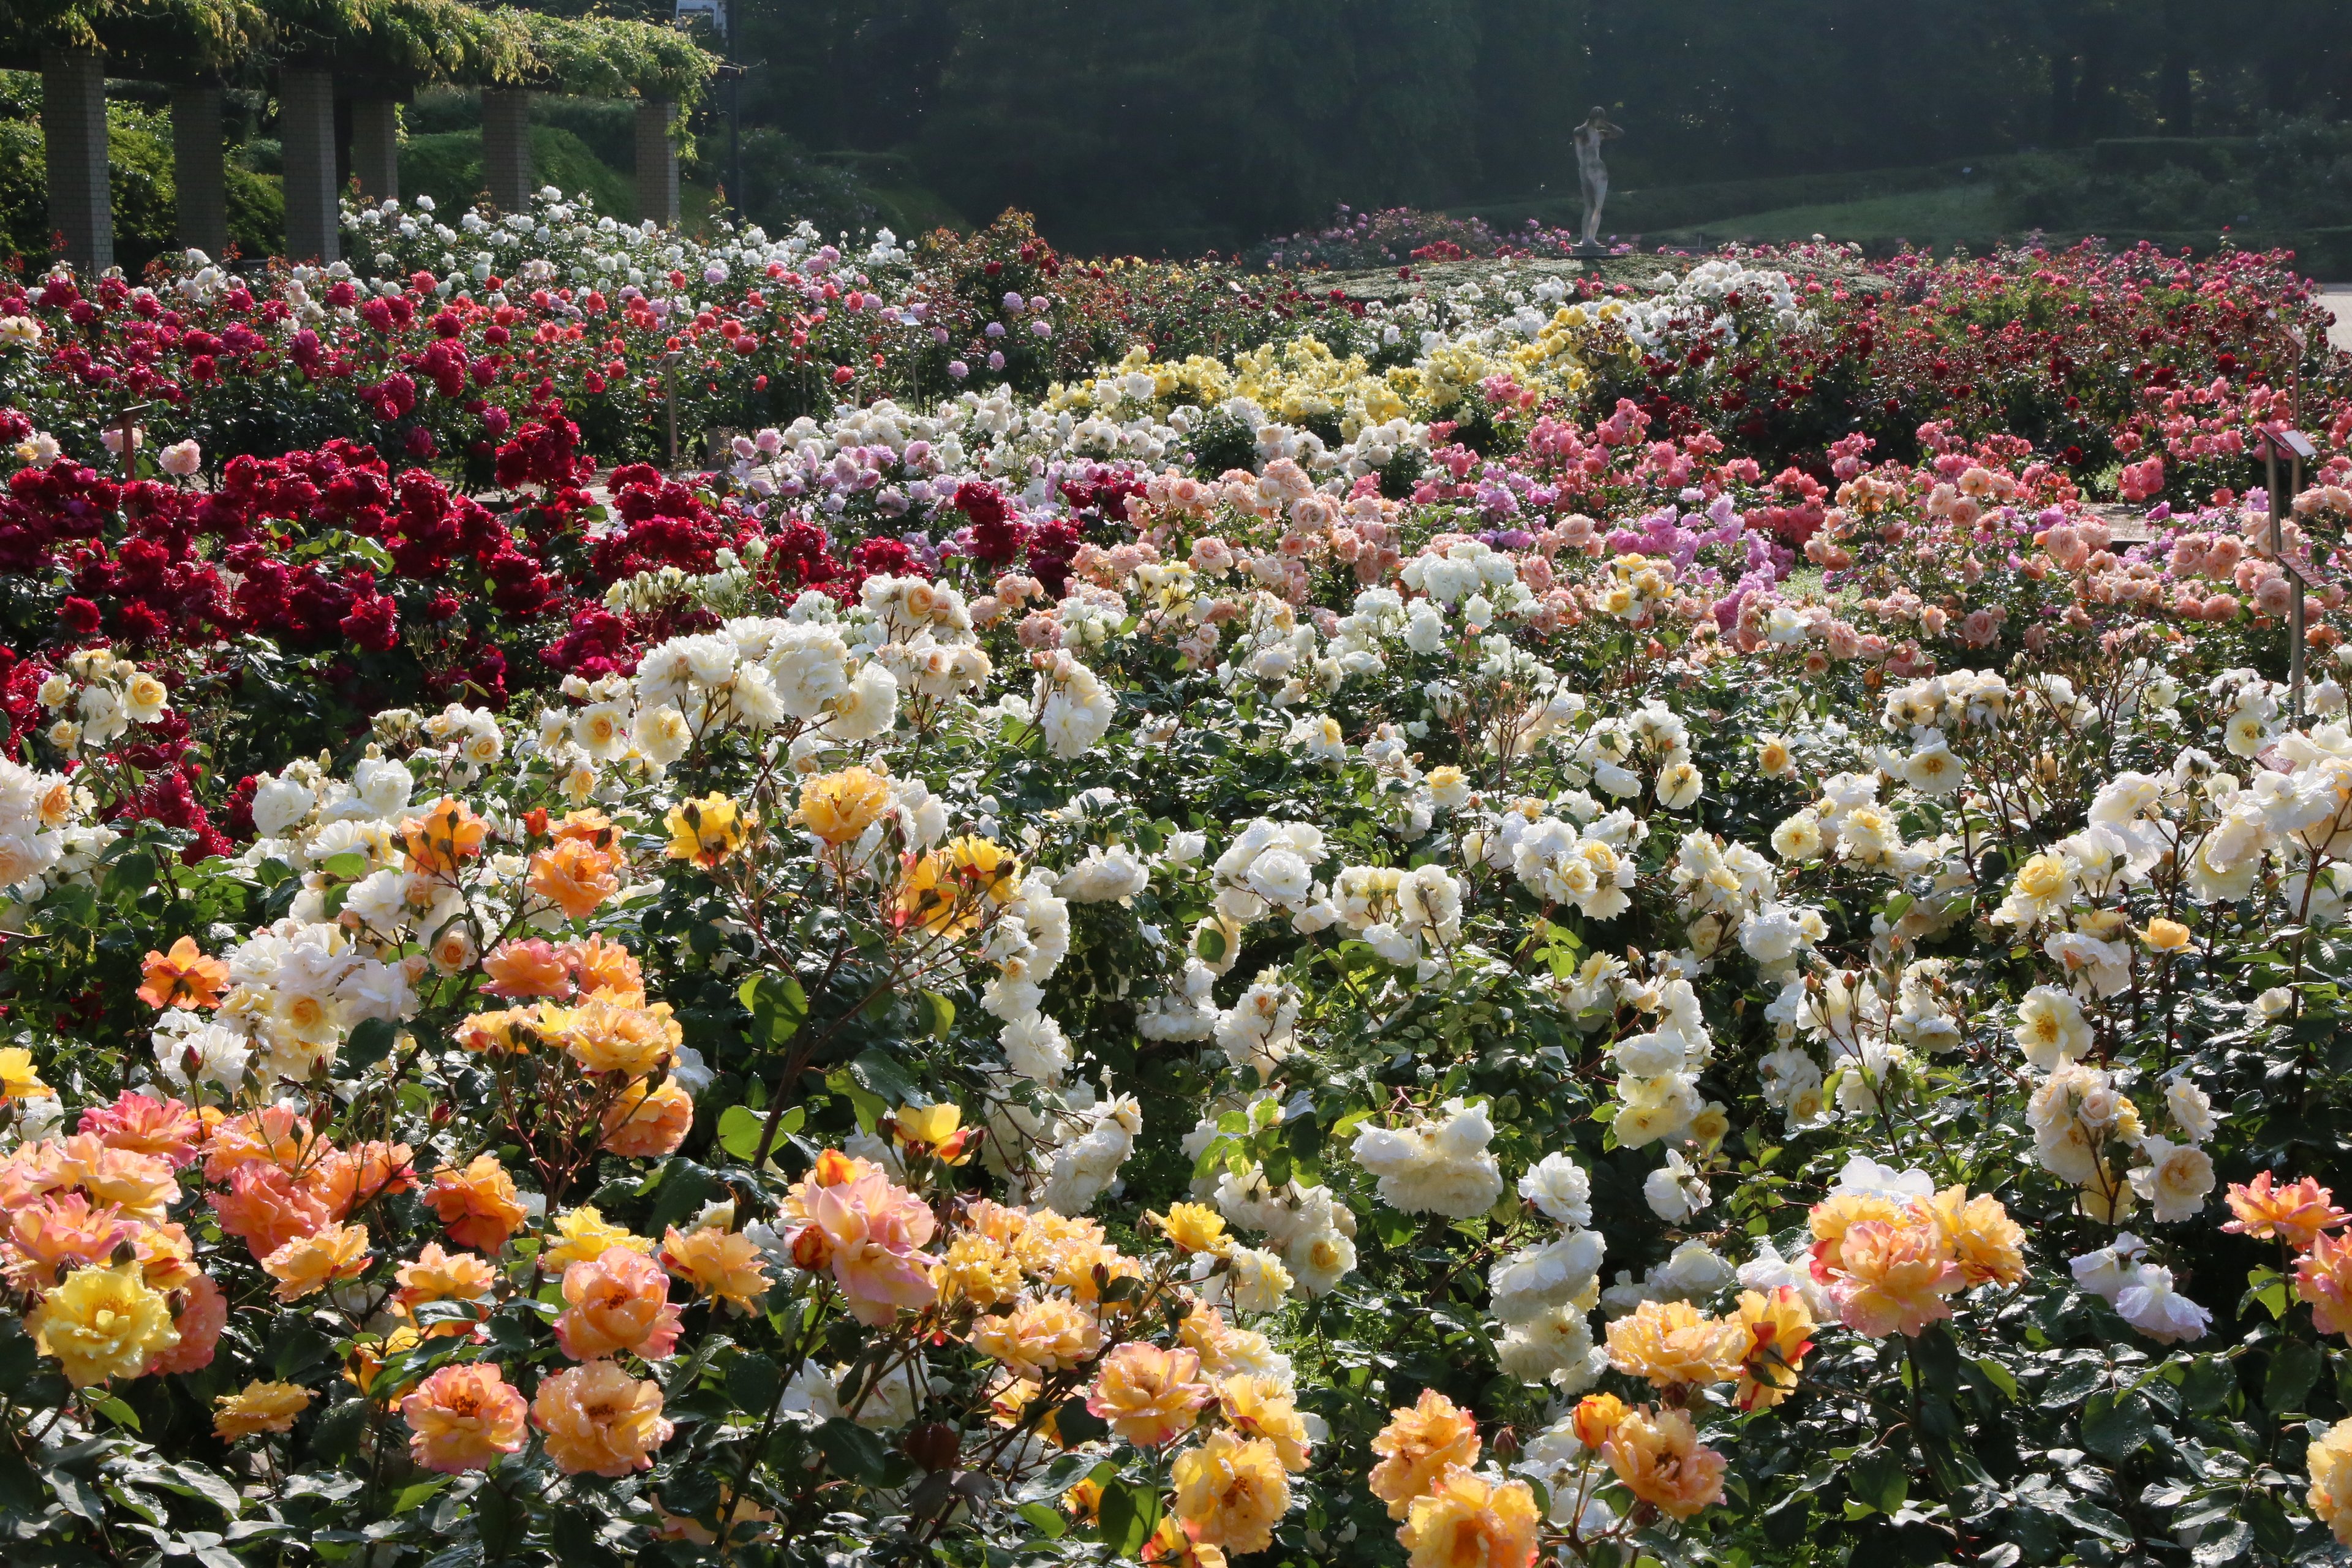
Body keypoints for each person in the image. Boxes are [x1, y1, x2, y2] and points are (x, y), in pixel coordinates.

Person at [1575, 107, 1624, 251]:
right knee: (1589, 206)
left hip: (1600, 171)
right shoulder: (1580, 132)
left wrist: (1607, 124)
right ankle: (1585, 239)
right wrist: (1588, 123)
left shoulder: (1600, 134)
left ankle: (1592, 238)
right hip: (1586, 171)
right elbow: (1578, 135)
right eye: (1598, 119)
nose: (1599, 122)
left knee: (1598, 206)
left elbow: (1620, 133)